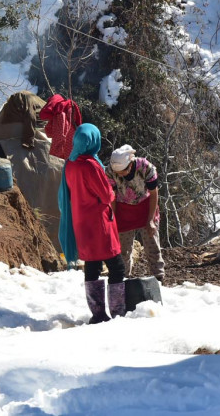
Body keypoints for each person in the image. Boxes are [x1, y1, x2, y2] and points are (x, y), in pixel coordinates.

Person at [58, 124, 126, 323]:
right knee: (116, 266)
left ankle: (97, 314)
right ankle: (117, 313)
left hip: (81, 222)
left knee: (92, 265)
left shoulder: (70, 164)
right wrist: (112, 191)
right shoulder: (90, 165)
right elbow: (106, 195)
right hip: (99, 223)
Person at [107, 144, 164, 282]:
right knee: (123, 248)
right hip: (123, 209)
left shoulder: (145, 167)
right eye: (118, 172)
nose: (120, 174)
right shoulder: (110, 171)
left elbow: (154, 193)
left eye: (123, 171)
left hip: (146, 207)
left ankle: (158, 277)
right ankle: (124, 278)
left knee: (152, 244)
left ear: (131, 164)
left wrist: (150, 220)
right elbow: (112, 195)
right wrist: (113, 217)